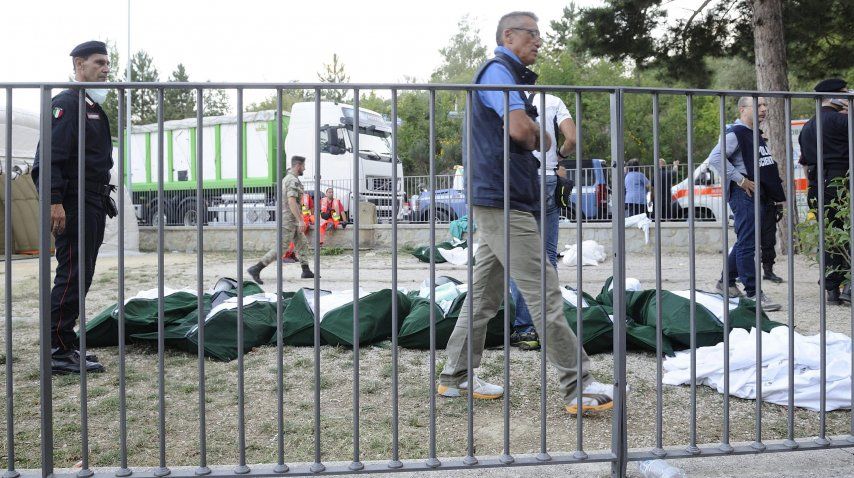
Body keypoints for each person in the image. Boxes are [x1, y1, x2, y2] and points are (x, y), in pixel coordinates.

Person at [438, 11, 613, 415]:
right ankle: (579, 385)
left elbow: (526, 132)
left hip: (502, 197)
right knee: (544, 291)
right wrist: (538, 134)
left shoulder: (509, 76)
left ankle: (456, 376)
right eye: (532, 34)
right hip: (503, 200)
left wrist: (535, 133)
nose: (538, 42)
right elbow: (521, 130)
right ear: (508, 36)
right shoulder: (498, 72)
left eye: (539, 35)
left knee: (483, 294)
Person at [32, 40, 117, 374]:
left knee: (82, 273)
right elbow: (49, 158)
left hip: (92, 199)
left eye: (107, 63)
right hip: (74, 201)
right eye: (99, 63)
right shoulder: (67, 103)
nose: (106, 69)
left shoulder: (89, 104)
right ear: (80, 65)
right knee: (72, 274)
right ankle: (57, 350)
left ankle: (65, 342)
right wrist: (54, 201)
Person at [709, 97, 784, 311]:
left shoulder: (753, 133)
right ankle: (753, 293)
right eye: (758, 105)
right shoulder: (735, 133)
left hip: (757, 194)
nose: (764, 109)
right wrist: (740, 180)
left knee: (745, 240)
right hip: (744, 194)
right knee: (748, 244)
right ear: (743, 109)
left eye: (765, 105)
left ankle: (726, 283)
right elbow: (715, 158)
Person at [798, 78, 852, 305]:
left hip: (816, 184)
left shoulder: (808, 126)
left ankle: (832, 288)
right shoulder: (841, 121)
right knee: (846, 233)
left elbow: (803, 162)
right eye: (845, 93)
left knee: (830, 236)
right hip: (840, 183)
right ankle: (847, 285)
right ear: (834, 96)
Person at [247, 156, 316, 283]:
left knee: (302, 243)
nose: (304, 169)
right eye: (303, 166)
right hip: (288, 220)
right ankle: (257, 268)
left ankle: (306, 270)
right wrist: (300, 220)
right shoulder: (291, 180)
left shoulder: (289, 179)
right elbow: (291, 201)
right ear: (298, 165)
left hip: (292, 219)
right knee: (282, 247)